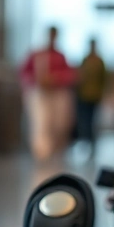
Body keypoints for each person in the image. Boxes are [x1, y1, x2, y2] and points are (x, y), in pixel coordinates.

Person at [18, 26, 76, 161]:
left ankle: (56, 150)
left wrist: (55, 79)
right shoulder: (36, 55)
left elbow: (70, 75)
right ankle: (42, 152)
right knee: (41, 122)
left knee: (59, 123)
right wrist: (36, 80)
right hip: (40, 93)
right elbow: (24, 73)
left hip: (57, 94)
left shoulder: (60, 56)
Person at [76, 38, 106, 153]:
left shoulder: (99, 61)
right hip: (84, 96)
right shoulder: (85, 60)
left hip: (95, 96)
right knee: (84, 121)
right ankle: (86, 142)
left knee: (93, 121)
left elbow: (104, 79)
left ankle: (93, 143)